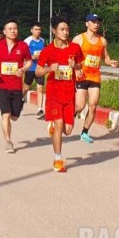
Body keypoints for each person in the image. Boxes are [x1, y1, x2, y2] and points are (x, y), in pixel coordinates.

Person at [35, 16, 84, 172]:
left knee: (68, 131)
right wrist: (49, 69)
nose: (65, 32)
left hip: (69, 94)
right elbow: (38, 71)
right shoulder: (48, 50)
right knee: (59, 124)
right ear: (54, 31)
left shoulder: (75, 48)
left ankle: (54, 127)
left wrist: (74, 65)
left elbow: (80, 66)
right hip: (54, 94)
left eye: (67, 29)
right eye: (62, 29)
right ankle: (58, 159)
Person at [0, 19, 32, 153]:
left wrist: (23, 69)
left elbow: (29, 61)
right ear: (4, 32)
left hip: (16, 86)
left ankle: (18, 105)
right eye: (10, 29)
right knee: (5, 114)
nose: (13, 31)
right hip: (1, 85)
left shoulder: (22, 46)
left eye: (15, 28)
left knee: (14, 117)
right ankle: (8, 141)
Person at [73, 14, 119, 144]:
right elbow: (70, 56)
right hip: (81, 75)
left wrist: (110, 63)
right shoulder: (78, 39)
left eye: (98, 22)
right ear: (87, 23)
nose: (96, 24)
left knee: (93, 106)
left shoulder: (102, 41)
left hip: (94, 77)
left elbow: (106, 57)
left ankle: (85, 132)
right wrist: (77, 69)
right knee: (80, 106)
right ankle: (65, 119)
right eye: (93, 22)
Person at [22, 24, 47, 119]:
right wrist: (31, 57)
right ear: (31, 30)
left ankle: (40, 109)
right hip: (30, 68)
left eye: (39, 29)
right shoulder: (27, 41)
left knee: (40, 88)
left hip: (40, 68)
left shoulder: (42, 40)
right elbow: (23, 53)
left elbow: (44, 52)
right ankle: (21, 99)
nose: (38, 31)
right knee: (25, 88)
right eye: (36, 29)